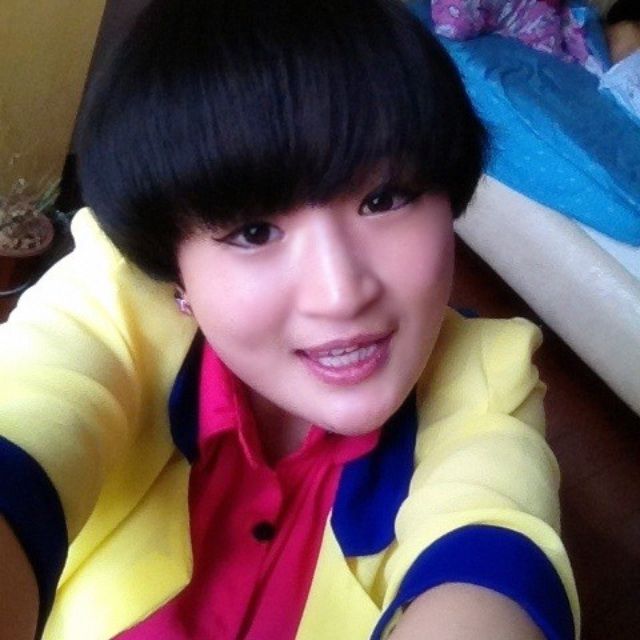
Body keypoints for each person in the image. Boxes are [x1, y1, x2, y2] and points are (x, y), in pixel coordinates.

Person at [0, 0, 579, 638]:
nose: (340, 295)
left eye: (384, 198)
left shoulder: (488, 378)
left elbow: (494, 551)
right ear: (174, 272)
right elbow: (25, 423)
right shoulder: (108, 305)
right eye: (254, 232)